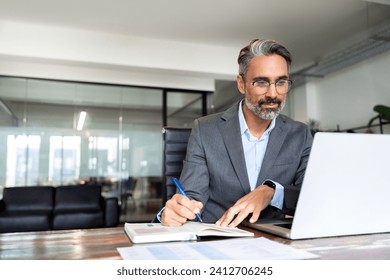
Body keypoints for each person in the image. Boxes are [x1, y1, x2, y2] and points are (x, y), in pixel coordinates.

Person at [160, 39, 313, 227]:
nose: (273, 93)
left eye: (281, 82)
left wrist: (270, 192)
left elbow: (311, 196)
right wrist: (177, 212)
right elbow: (192, 197)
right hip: (218, 238)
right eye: (261, 82)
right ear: (242, 84)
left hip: (274, 242)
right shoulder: (205, 130)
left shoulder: (300, 134)